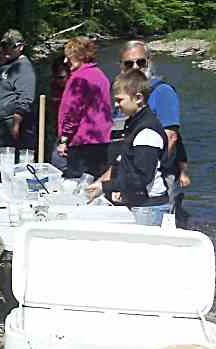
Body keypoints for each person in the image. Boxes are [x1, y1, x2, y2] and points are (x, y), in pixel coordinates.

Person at [120, 40, 190, 223]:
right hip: (135, 174)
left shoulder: (162, 92)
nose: (135, 67)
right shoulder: (123, 96)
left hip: (159, 176)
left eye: (140, 62)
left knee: (164, 225)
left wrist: (152, 169)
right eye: (129, 64)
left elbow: (171, 136)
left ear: (149, 61)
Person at [88, 69, 169, 224]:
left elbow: (141, 178)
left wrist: (106, 187)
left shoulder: (147, 131)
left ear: (138, 98)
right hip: (138, 202)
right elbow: (126, 160)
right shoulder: (133, 123)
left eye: (120, 100)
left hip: (149, 206)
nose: (116, 105)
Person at [56, 37, 112, 178]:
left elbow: (73, 111)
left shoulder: (78, 78)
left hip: (82, 141)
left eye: (68, 57)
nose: (65, 61)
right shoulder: (101, 75)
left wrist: (64, 139)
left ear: (79, 56)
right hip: (101, 140)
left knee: (76, 185)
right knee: (95, 181)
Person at [0, 29, 36, 167]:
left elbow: (25, 98)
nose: (6, 49)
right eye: (4, 46)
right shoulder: (8, 66)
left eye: (11, 46)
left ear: (20, 47)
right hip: (0, 124)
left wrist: (16, 123)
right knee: (1, 163)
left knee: (12, 164)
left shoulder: (24, 67)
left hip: (12, 122)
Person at [48, 57, 70, 171]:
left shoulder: (75, 89)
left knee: (59, 162)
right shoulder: (54, 87)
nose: (58, 81)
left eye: (61, 78)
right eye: (55, 78)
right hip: (57, 129)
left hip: (69, 132)